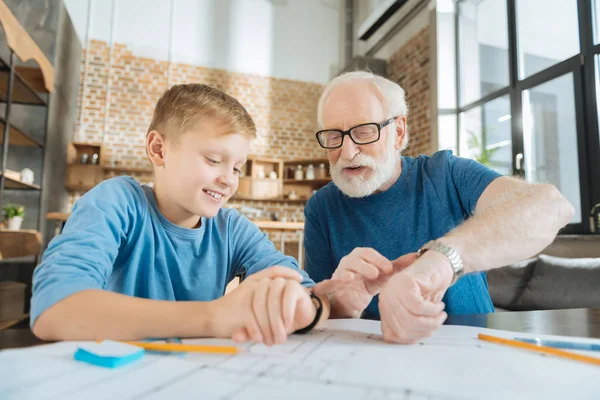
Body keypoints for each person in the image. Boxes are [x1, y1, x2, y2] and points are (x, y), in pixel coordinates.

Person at [32, 84, 329, 345]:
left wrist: (308, 304)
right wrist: (213, 316)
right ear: (159, 149)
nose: (229, 180)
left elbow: (308, 294)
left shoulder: (232, 229)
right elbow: (53, 309)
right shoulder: (117, 201)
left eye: (237, 168)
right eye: (214, 160)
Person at [304, 71, 574, 344]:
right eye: (333, 136)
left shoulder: (446, 173)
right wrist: (342, 305)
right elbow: (321, 317)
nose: (347, 152)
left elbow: (551, 206)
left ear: (398, 132)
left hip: (475, 350)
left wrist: (443, 260)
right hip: (376, 354)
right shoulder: (320, 208)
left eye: (364, 132)